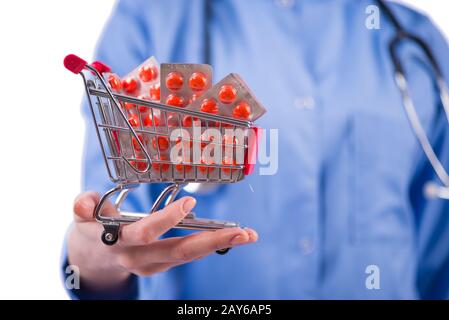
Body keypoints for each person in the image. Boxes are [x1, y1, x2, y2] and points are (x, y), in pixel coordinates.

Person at [63, 0, 449, 299]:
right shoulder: (153, 15)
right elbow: (109, 231)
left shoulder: (416, 39)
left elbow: (440, 253)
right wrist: (97, 259)